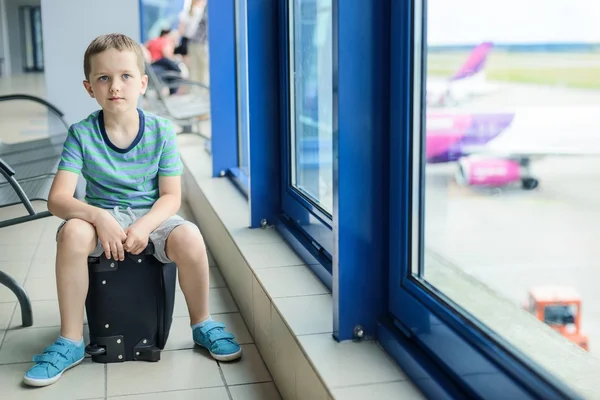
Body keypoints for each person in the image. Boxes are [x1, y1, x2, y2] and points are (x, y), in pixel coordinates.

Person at [22, 33, 241, 388]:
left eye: (125, 76)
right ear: (89, 87)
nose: (115, 87)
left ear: (142, 83)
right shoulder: (82, 134)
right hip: (101, 218)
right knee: (74, 233)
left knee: (190, 237)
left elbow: (171, 197)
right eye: (103, 78)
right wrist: (98, 216)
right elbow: (58, 200)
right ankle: (70, 341)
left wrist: (143, 226)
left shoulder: (161, 131)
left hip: (151, 216)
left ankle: (203, 324)